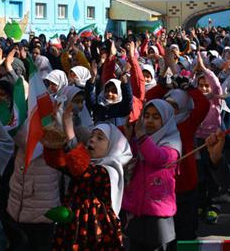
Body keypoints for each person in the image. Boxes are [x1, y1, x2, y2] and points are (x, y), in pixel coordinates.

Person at [42, 105, 132, 250]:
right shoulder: (86, 164)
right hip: (73, 230)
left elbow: (82, 170)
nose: (92, 140)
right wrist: (53, 138)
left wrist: (71, 133)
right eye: (91, 136)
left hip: (97, 233)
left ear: (112, 147)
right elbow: (61, 164)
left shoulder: (110, 171)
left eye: (100, 138)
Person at [122, 100, 181, 251]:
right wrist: (130, 138)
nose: (149, 120)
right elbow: (129, 160)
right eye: (146, 116)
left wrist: (140, 136)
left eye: (156, 117)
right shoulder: (139, 141)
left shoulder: (172, 145)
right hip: (137, 211)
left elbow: (156, 157)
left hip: (159, 215)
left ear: (166, 120)